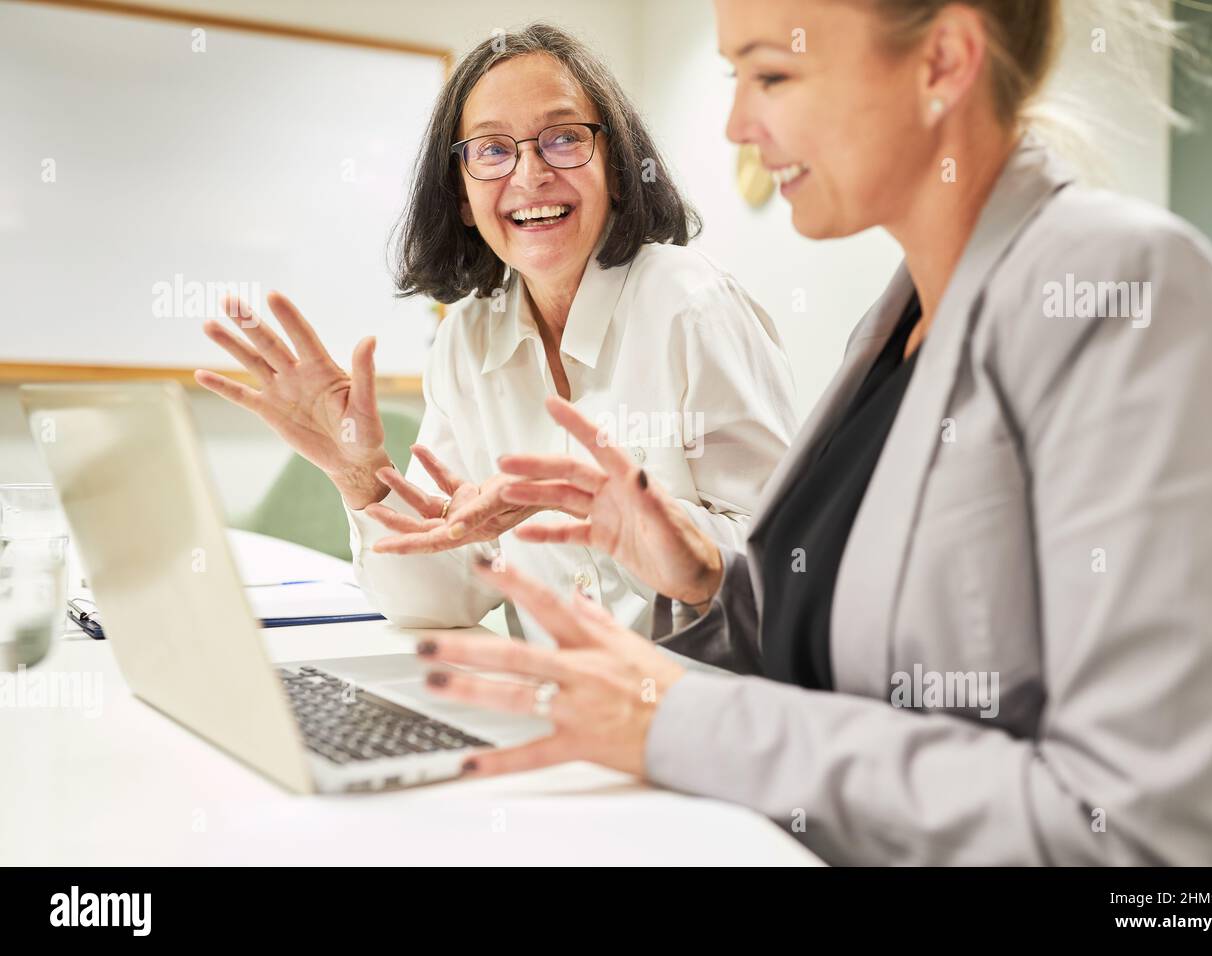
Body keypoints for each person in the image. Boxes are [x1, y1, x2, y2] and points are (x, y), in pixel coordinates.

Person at [404, 0, 1212, 865]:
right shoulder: (895, 321)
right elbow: (847, 652)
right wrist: (705, 571)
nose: (736, 127)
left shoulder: (1125, 292)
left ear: (942, 63)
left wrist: (681, 720)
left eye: (773, 73)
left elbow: (1149, 829)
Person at [195, 23, 797, 642]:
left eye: (564, 139)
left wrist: (602, 505)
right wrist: (362, 477)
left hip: (700, 707)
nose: (530, 174)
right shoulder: (467, 340)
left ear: (617, 170)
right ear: (460, 195)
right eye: (491, 150)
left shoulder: (689, 304)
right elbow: (435, 601)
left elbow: (790, 563)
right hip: (550, 707)